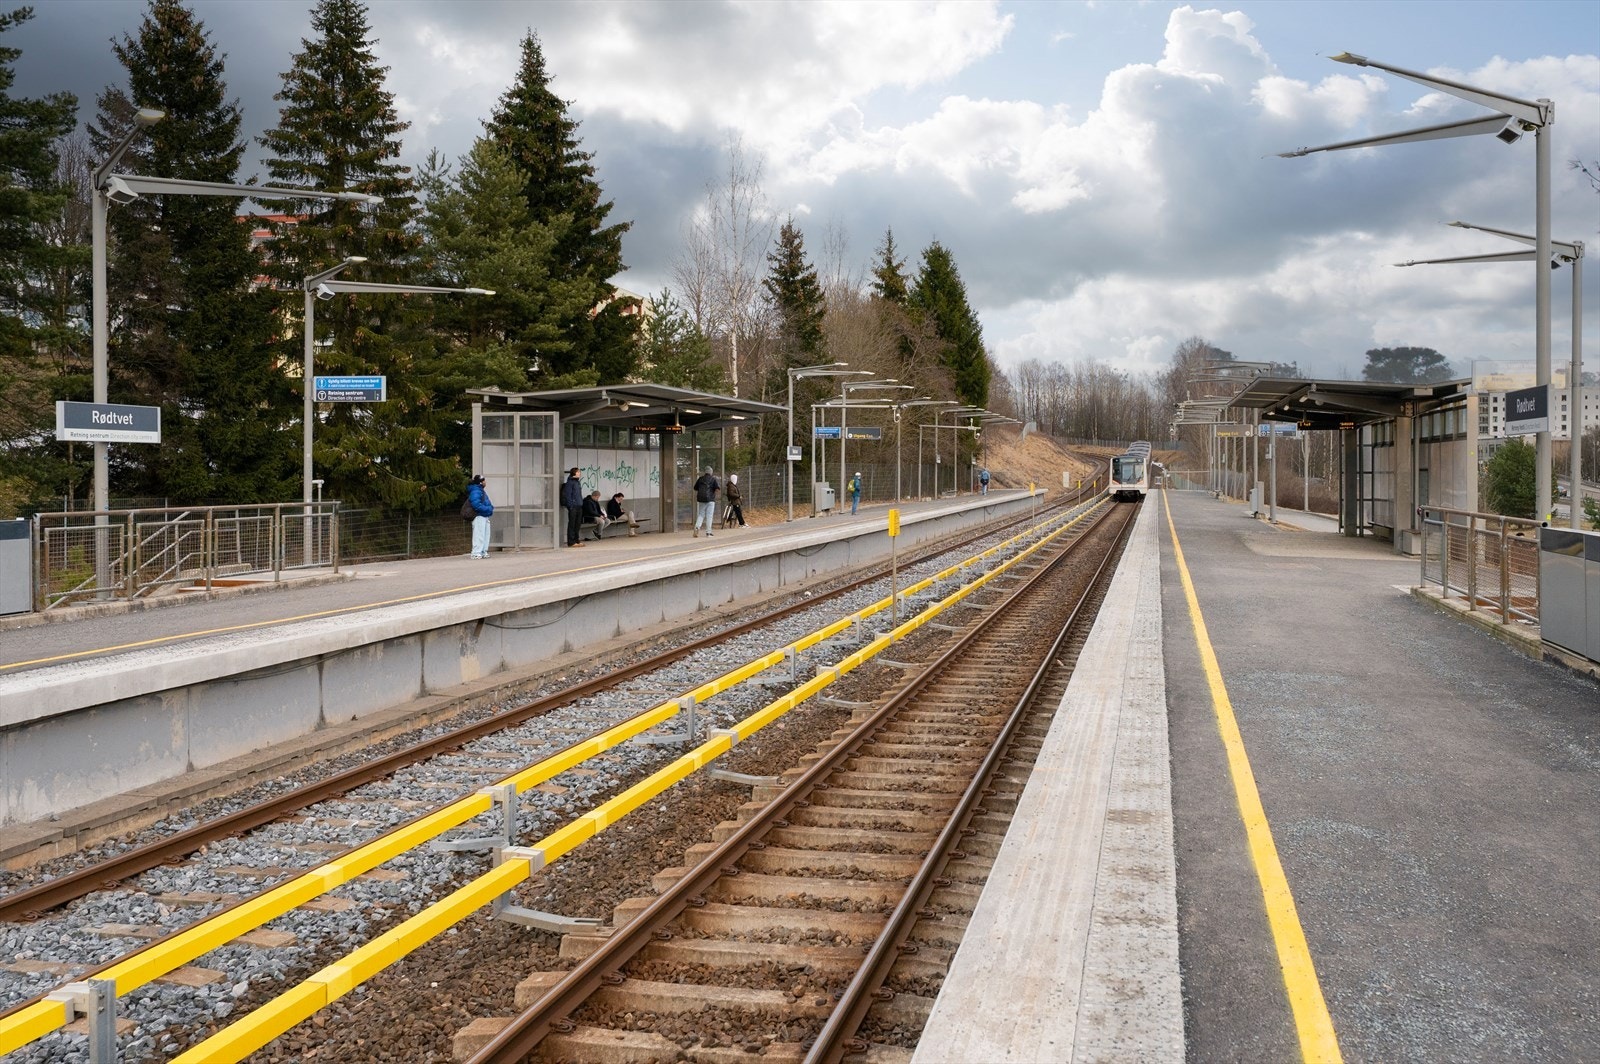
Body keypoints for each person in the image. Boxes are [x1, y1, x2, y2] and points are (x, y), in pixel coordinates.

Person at [466, 474, 493, 558]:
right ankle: (476, 552)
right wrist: (488, 509)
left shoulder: (480, 490)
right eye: (484, 480)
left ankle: (483, 551)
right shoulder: (476, 491)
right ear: (480, 482)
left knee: (485, 534)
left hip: (484, 515)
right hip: (479, 516)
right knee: (479, 534)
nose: (485, 482)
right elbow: (476, 505)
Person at [692, 464, 720, 537]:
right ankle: (708, 532)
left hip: (701, 499)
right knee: (709, 516)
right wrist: (714, 492)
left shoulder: (700, 479)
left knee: (701, 514)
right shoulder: (713, 479)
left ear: (705, 472)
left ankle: (697, 527)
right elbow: (717, 488)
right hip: (710, 500)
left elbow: (695, 488)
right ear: (711, 472)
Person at [561, 467, 584, 547]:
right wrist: (570, 505)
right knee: (572, 524)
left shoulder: (577, 482)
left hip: (579, 505)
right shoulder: (570, 482)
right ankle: (571, 541)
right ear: (574, 473)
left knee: (577, 524)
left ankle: (576, 540)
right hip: (573, 506)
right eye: (578, 472)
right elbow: (568, 495)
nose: (579, 473)